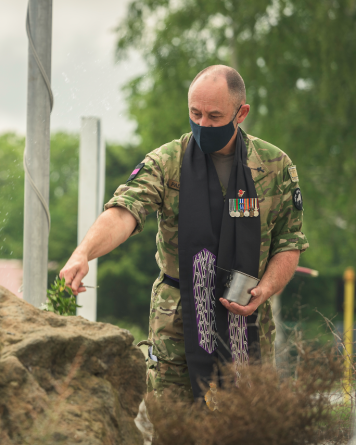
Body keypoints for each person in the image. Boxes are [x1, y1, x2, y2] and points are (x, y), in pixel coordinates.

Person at [59, 65, 308, 401]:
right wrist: (83, 252)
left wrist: (266, 288)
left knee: (247, 426)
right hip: (177, 318)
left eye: (214, 116)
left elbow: (289, 241)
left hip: (247, 317)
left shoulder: (274, 166)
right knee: (173, 425)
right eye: (195, 113)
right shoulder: (167, 161)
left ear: (241, 113)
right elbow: (124, 211)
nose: (203, 124)